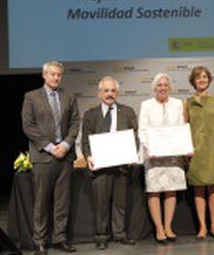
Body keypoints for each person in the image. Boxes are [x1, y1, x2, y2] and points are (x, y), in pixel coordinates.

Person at [21, 61, 80, 255]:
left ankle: (59, 238)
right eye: (52, 74)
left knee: (62, 201)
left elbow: (74, 123)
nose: (56, 78)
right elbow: (28, 126)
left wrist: (64, 145)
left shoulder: (69, 96)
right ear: (44, 75)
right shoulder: (31, 97)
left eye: (59, 75)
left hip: (65, 156)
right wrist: (49, 147)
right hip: (43, 156)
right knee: (41, 201)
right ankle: (39, 241)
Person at [81, 76, 137, 250]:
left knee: (120, 203)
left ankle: (119, 234)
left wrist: (131, 155)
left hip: (121, 166)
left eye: (113, 90)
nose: (110, 94)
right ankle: (102, 235)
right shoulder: (90, 114)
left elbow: (134, 137)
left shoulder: (128, 112)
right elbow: (85, 141)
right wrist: (88, 156)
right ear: (99, 93)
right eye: (106, 90)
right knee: (101, 203)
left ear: (117, 93)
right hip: (100, 167)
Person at [138, 73, 187, 244]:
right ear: (154, 88)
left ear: (170, 87)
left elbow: (181, 128)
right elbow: (142, 130)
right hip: (153, 155)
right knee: (154, 190)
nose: (163, 88)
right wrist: (149, 148)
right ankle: (159, 228)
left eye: (165, 85)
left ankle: (168, 226)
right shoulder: (146, 105)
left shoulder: (178, 104)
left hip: (173, 155)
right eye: (159, 85)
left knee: (171, 189)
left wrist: (185, 147)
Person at [184, 66, 214, 240]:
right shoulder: (186, 103)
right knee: (199, 189)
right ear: (193, 81)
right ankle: (202, 227)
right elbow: (184, 128)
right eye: (198, 77)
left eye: (204, 77)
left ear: (209, 80)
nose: (201, 80)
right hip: (196, 150)